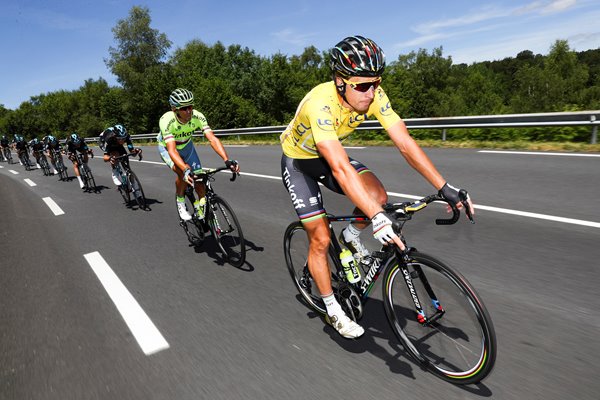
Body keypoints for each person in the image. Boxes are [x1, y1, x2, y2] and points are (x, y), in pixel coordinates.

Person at [279, 35, 474, 339]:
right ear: (340, 81)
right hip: (300, 161)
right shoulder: (321, 104)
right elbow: (341, 169)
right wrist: (377, 217)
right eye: (362, 86)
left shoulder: (373, 94)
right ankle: (333, 311)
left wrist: (444, 186)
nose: (371, 93)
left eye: (376, 83)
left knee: (378, 196)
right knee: (318, 238)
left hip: (330, 154)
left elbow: (405, 143)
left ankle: (349, 234)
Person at [158, 88, 240, 221]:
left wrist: (227, 160)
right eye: (184, 108)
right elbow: (172, 150)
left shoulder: (197, 116)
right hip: (168, 149)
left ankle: (201, 207)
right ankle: (180, 201)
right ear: (175, 109)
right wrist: (184, 169)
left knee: (199, 178)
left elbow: (212, 138)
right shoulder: (166, 120)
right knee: (182, 172)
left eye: (190, 106)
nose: (189, 111)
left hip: (187, 147)